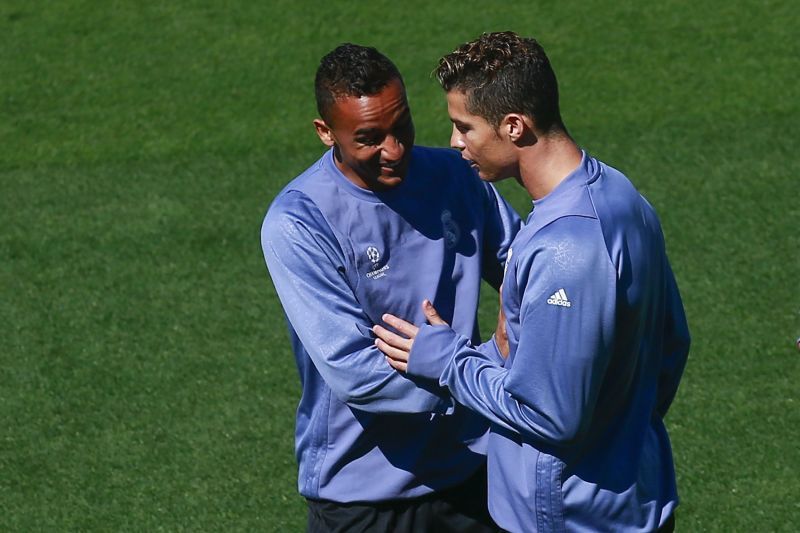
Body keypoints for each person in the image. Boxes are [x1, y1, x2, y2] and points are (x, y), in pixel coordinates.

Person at [373, 32, 690, 533]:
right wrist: (623, 439)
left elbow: (551, 417)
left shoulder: (565, 249)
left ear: (513, 126)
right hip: (625, 504)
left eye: (464, 127)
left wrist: (447, 361)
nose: (455, 142)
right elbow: (672, 343)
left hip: (569, 519)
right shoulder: (622, 196)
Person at [260, 43, 521, 532]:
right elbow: (356, 373)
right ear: (325, 133)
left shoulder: (456, 177)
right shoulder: (300, 222)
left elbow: (528, 267)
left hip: (470, 468)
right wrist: (483, 374)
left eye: (401, 126)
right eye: (370, 138)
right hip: (361, 495)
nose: (395, 150)